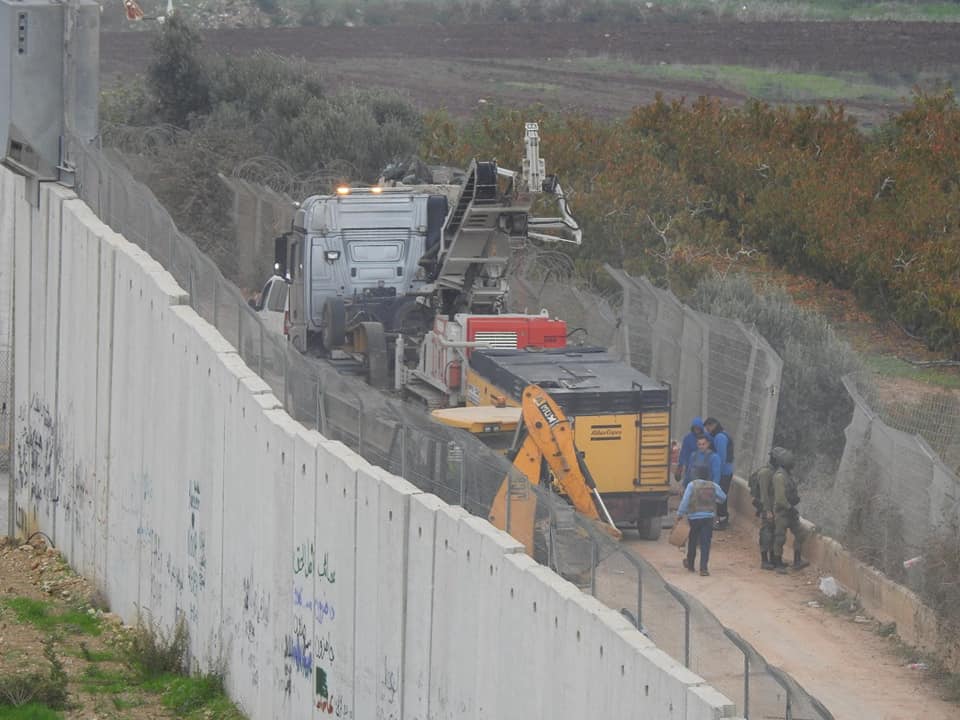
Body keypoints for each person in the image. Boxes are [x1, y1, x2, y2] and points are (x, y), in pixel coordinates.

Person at [677, 466, 727, 576]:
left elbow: (685, 501)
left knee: (693, 541)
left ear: (696, 475)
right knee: (705, 543)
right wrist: (715, 499)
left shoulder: (692, 485)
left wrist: (680, 514)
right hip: (708, 518)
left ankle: (690, 564)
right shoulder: (713, 485)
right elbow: (723, 498)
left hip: (694, 517)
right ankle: (703, 568)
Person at [769, 447, 810, 573]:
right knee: (780, 538)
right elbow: (780, 499)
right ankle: (777, 563)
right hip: (782, 512)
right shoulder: (780, 476)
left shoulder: (787, 474)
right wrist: (790, 508)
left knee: (801, 533)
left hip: (790, 510)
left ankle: (797, 560)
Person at [749, 448, 782, 571]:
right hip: (767, 507)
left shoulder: (776, 471)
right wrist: (767, 510)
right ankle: (764, 560)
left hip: (775, 508)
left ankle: (773, 558)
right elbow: (764, 494)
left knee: (774, 533)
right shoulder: (766, 473)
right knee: (766, 533)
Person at [704, 417, 734, 530]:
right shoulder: (722, 434)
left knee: (720, 496)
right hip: (726, 471)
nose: (708, 431)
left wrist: (717, 475)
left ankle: (722, 521)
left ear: (713, 425)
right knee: (721, 495)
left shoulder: (720, 437)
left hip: (724, 472)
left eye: (708, 428)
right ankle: (722, 519)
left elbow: (721, 458)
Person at [676, 417, 708, 485]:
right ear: (692, 428)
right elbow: (684, 452)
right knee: (690, 483)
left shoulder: (706, 437)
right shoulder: (688, 438)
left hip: (704, 465)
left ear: (701, 428)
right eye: (695, 428)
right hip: (690, 466)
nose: (697, 430)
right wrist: (680, 466)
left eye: (698, 428)